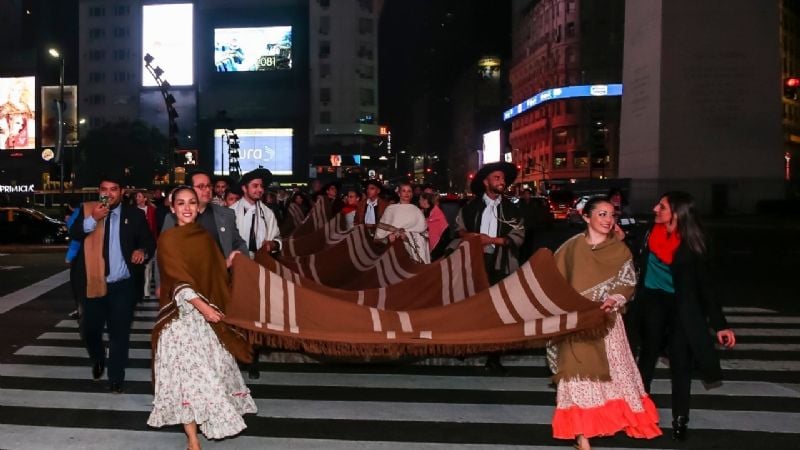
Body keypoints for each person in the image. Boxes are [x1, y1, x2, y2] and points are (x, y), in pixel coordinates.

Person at [148, 186, 257, 449]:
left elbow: (215, 272)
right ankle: (193, 440)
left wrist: (230, 261)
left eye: (191, 203)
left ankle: (199, 432)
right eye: (181, 203)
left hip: (207, 323)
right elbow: (179, 281)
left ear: (198, 207)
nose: (186, 208)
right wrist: (204, 308)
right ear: (172, 209)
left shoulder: (204, 237)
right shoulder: (169, 240)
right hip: (181, 320)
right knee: (189, 381)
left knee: (211, 376)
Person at [550, 196, 661, 449]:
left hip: (606, 324)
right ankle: (582, 436)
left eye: (612, 215)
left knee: (610, 379)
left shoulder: (619, 250)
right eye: (602, 214)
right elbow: (552, 281)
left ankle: (595, 426)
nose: (608, 220)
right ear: (586, 217)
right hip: (575, 323)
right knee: (574, 376)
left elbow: (627, 281)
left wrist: (614, 299)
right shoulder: (569, 248)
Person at [633, 191, 736, 441]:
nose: (655, 208)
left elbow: (707, 287)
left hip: (682, 307)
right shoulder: (648, 233)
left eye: (662, 207)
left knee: (681, 363)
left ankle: (681, 418)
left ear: (677, 214)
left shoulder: (693, 243)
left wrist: (720, 325)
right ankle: (638, 412)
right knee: (646, 357)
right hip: (652, 302)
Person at [68, 173, 155, 393]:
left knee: (119, 333)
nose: (108, 194)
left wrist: (141, 251)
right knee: (91, 329)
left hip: (122, 285)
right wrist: (93, 219)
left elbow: (148, 241)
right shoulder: (88, 210)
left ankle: (116, 377)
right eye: (104, 189)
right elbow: (74, 233)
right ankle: (97, 358)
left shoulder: (134, 215)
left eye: (113, 189)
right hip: (93, 283)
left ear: (122, 192)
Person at [454, 161, 524, 285]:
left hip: (502, 262)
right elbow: (459, 229)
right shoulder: (470, 208)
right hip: (474, 259)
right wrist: (470, 237)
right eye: (497, 178)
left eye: (503, 178)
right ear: (486, 182)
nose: (502, 182)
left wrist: (490, 240)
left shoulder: (512, 210)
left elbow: (518, 236)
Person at [161, 170, 247, 259]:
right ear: (189, 189)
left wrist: (239, 258)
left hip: (221, 270)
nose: (207, 190)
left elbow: (238, 243)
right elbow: (162, 253)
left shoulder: (226, 214)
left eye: (209, 186)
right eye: (201, 186)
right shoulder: (172, 218)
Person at [230, 168, 282, 258]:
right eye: (255, 186)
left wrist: (273, 244)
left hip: (262, 262)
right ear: (244, 188)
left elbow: (277, 239)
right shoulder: (231, 212)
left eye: (261, 186)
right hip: (237, 263)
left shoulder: (268, 213)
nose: (260, 189)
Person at [375, 181, 430, 264]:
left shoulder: (416, 210)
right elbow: (382, 230)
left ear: (412, 194)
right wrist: (389, 236)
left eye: (409, 191)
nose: (406, 193)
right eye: (403, 191)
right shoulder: (391, 209)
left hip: (411, 252)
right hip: (394, 248)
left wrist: (405, 235)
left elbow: (424, 233)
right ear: (399, 193)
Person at [134, 191, 158, 299]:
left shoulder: (152, 210)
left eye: (139, 196)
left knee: (148, 267)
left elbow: (155, 226)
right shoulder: (132, 211)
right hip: (136, 242)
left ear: (145, 198)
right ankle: (140, 290)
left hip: (150, 241)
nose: (137, 198)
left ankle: (146, 291)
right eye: (136, 197)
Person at [419, 192, 451, 260]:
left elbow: (444, 234)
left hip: (437, 250)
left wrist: (435, 254)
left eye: (420, 199)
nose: (419, 201)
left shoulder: (437, 215)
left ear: (425, 200)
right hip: (424, 248)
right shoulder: (422, 212)